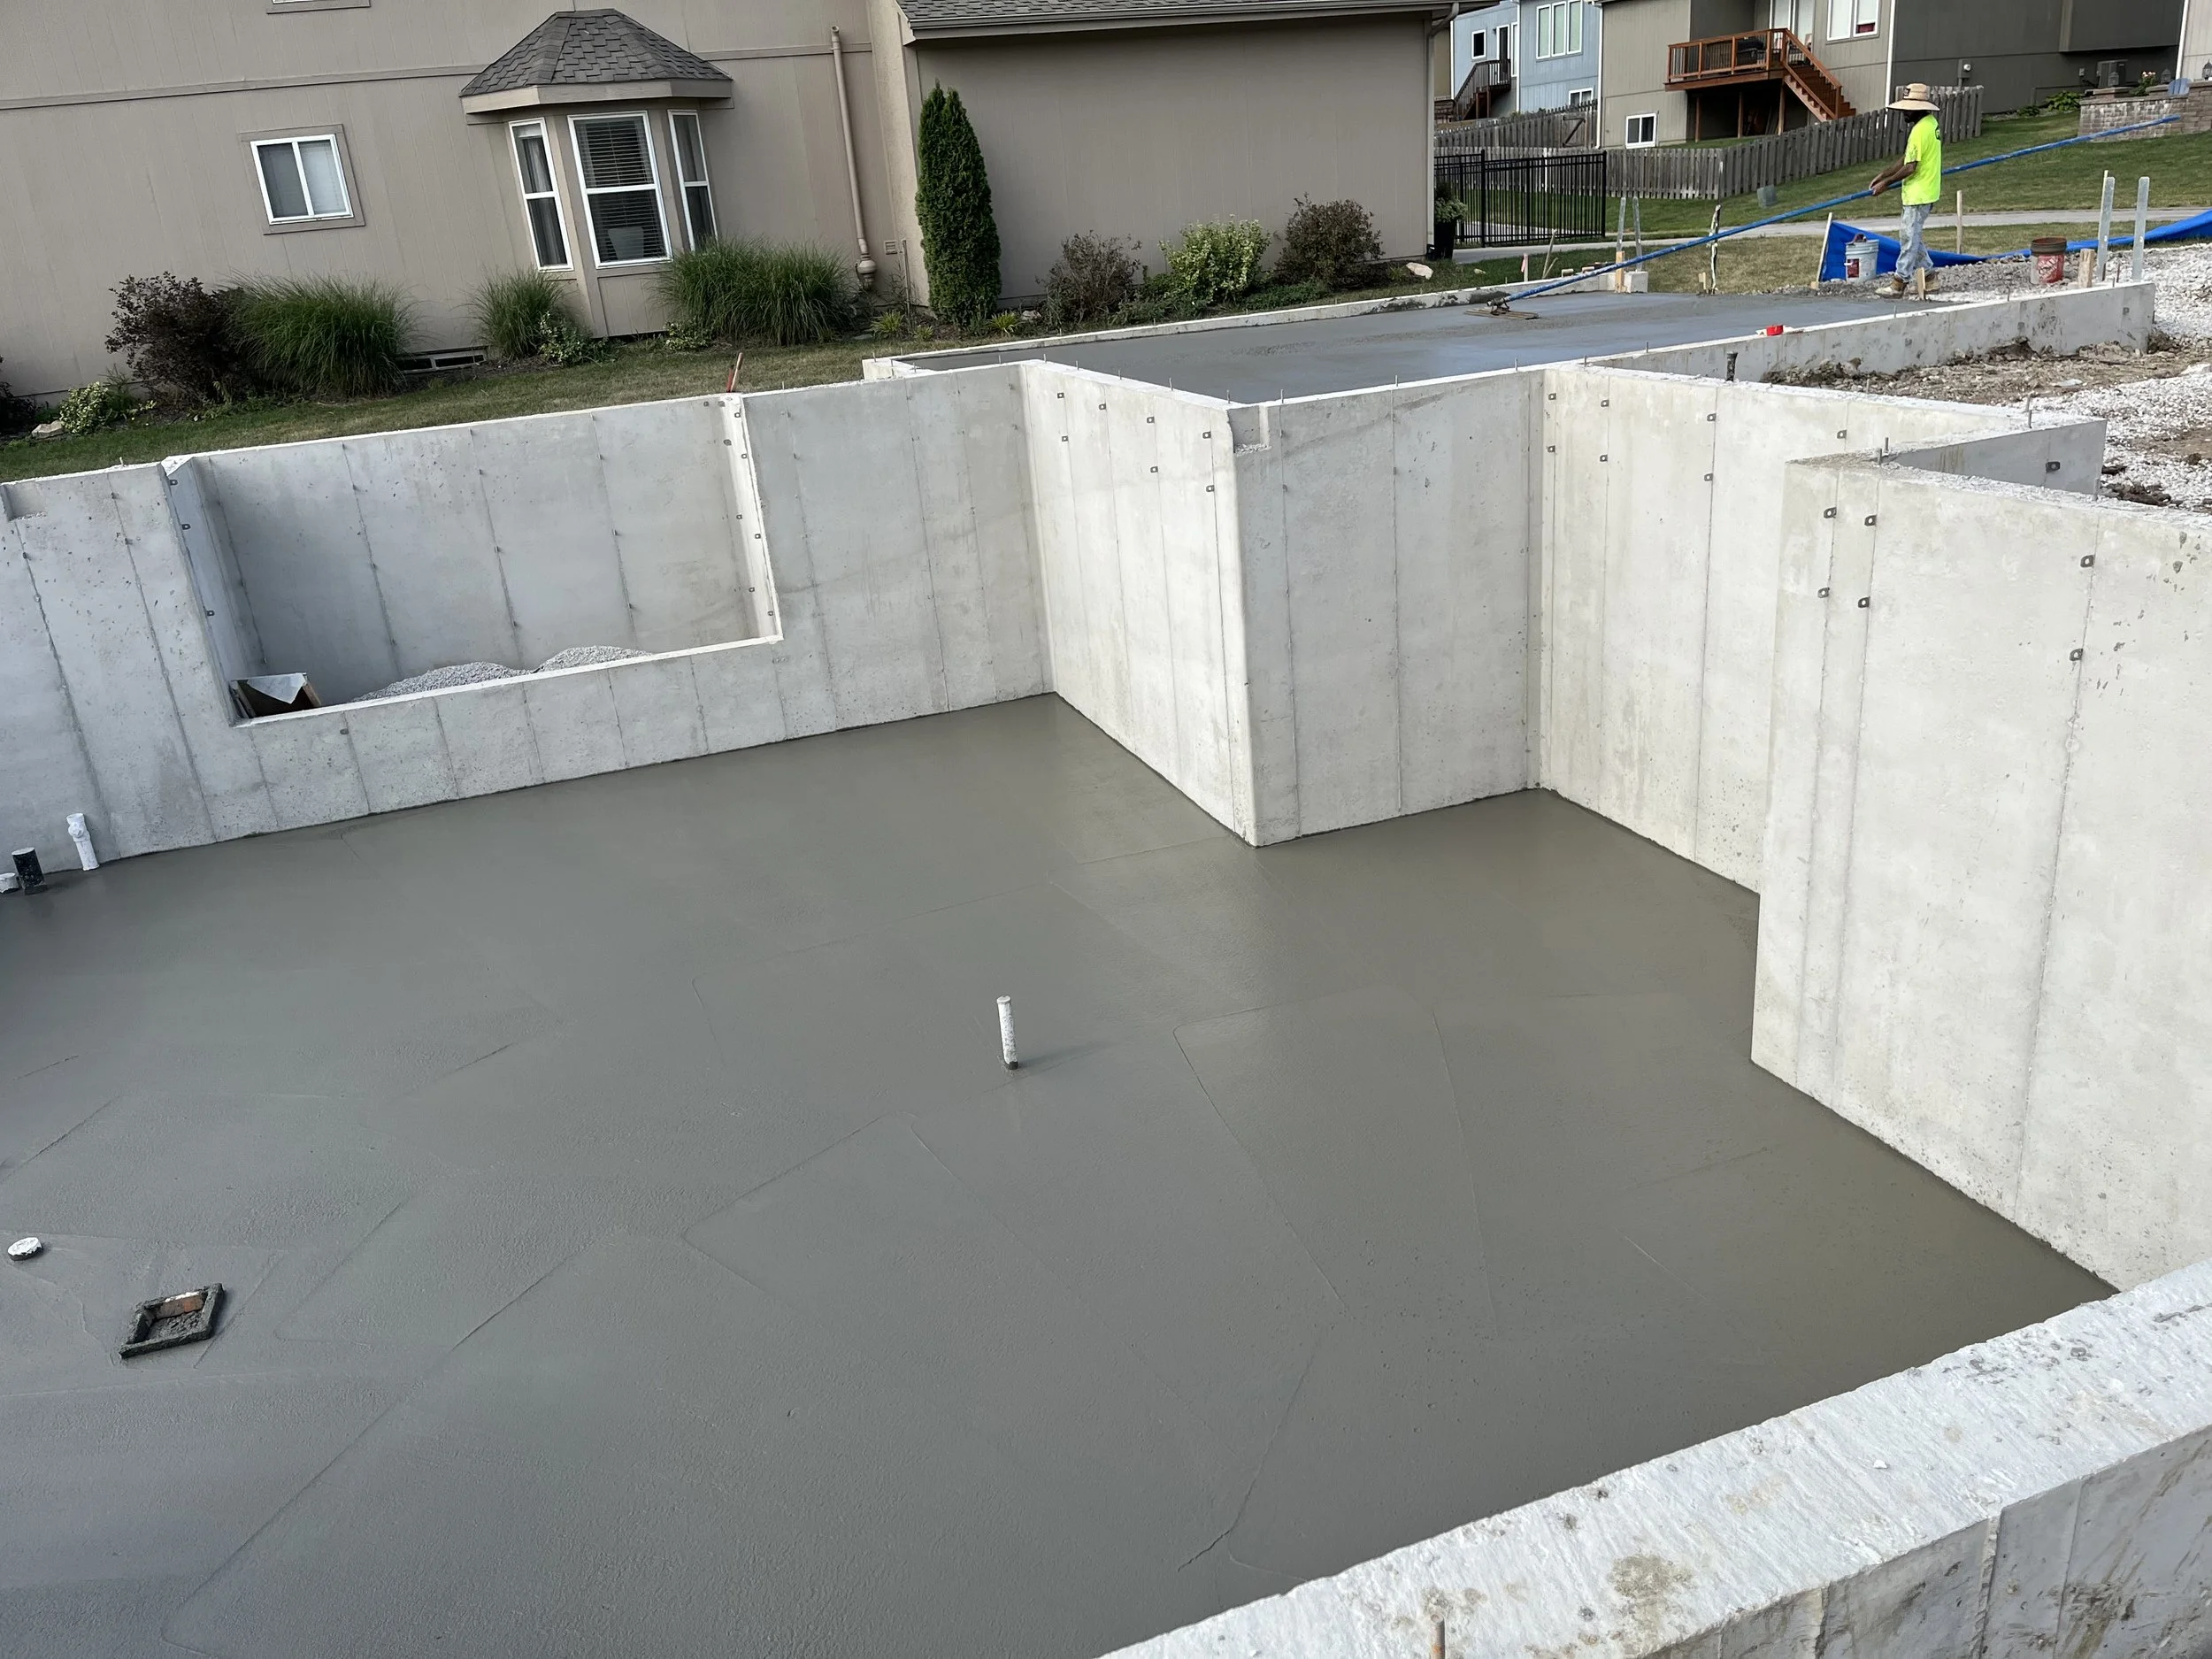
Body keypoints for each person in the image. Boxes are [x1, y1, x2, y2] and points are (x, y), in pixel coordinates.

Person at [1869, 84, 1943, 298]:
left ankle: (1899, 282)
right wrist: (1884, 174)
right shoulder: (1930, 124)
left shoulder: (1920, 130)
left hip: (1919, 193)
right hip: (1924, 191)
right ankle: (1930, 277)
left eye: (1907, 109)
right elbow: (1908, 157)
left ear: (1918, 108)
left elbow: (1911, 167)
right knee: (1912, 237)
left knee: (1909, 239)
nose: (1904, 113)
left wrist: (1886, 183)